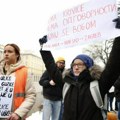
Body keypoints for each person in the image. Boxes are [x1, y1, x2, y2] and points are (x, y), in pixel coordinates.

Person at [39, 35, 120, 120]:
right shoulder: (66, 84)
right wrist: (44, 49)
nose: (76, 67)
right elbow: (52, 69)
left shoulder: (98, 85)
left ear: (89, 66)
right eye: (74, 65)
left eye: (80, 64)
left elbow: (113, 67)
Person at [0, 44, 36, 120]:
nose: (6, 54)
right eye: (5, 51)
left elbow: (31, 96)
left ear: (17, 55)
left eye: (10, 51)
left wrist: (18, 113)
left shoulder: (25, 72)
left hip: (14, 116)